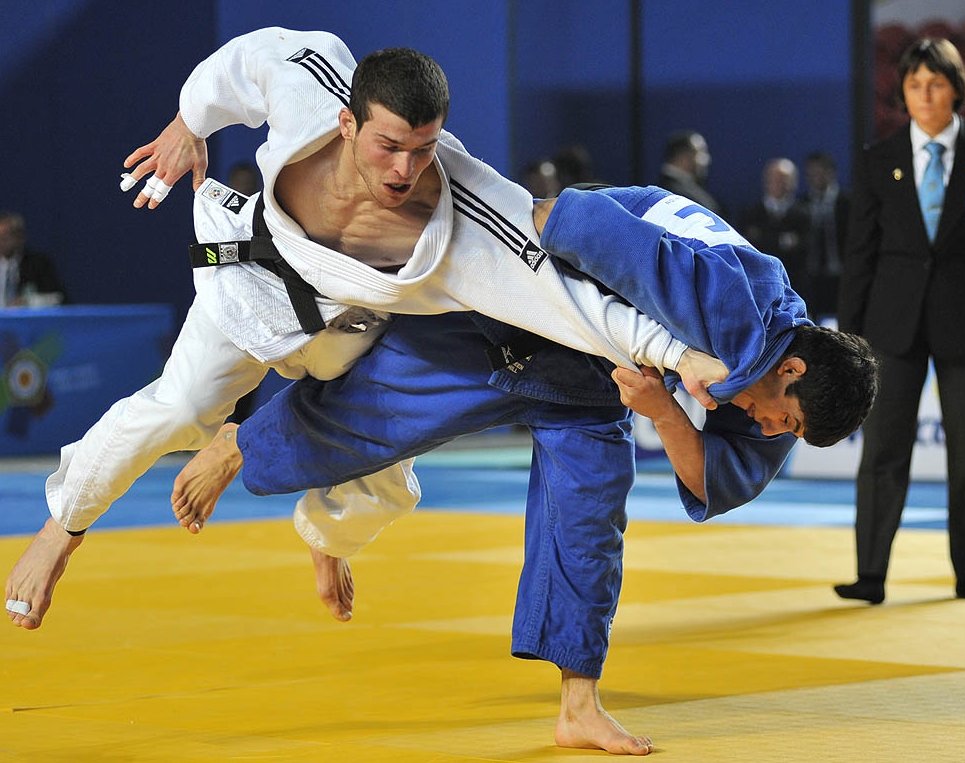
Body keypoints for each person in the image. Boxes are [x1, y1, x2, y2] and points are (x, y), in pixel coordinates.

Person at [4, 30, 723, 756]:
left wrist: (678, 353)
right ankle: (60, 530)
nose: (405, 169)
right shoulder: (313, 80)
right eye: (388, 146)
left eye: (424, 148)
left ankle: (324, 536)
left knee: (386, 474)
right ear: (347, 122)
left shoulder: (469, 216)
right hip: (251, 286)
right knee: (183, 408)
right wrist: (190, 122)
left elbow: (571, 304)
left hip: (344, 334)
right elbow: (249, 59)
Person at [167, 185, 878, 755]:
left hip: (596, 384)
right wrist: (507, 275)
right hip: (513, 316)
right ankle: (241, 443)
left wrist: (664, 412)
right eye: (783, 420)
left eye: (785, 432)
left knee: (589, 524)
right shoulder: (725, 300)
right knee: (376, 413)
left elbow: (712, 481)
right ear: (790, 370)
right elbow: (564, 216)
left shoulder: (784, 371)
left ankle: (578, 706)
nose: (771, 430)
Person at [835, 38, 965, 605]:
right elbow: (861, 253)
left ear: (957, 89)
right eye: (914, 85)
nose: (925, 95)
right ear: (902, 94)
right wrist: (846, 336)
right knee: (882, 453)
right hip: (891, 325)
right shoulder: (878, 158)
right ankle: (870, 575)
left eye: (936, 84)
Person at [740, 157, 811, 300]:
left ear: (794, 183)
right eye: (774, 179)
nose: (779, 184)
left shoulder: (805, 215)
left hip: (794, 288)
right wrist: (782, 241)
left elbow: (805, 249)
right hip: (758, 287)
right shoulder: (750, 214)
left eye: (784, 180)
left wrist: (765, 238)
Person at [800, 151, 849, 320]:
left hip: (841, 275)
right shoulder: (801, 204)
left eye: (819, 172)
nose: (815, 177)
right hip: (811, 276)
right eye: (811, 173)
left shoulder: (848, 203)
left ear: (830, 172)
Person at [0, 211, 67, 307]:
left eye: (4, 237)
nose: (1, 242)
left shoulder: (38, 264)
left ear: (19, 238)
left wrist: (28, 302)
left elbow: (58, 298)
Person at [657, 130, 722, 214]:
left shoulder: (689, 190)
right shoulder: (673, 194)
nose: (707, 159)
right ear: (682, 157)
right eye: (700, 152)